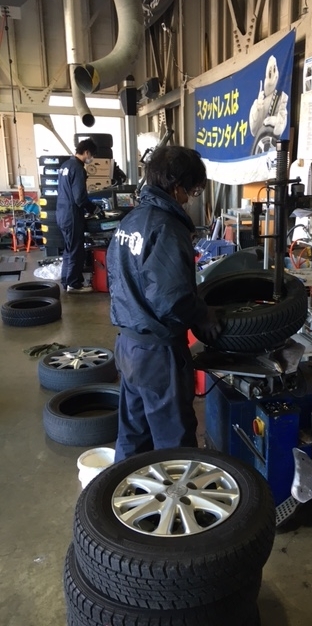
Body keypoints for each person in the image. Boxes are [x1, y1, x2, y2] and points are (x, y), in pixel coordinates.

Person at [106, 145, 222, 463]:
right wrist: (204, 315)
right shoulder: (168, 228)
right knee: (175, 444)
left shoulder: (131, 221)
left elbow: (118, 278)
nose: (189, 199)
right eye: (191, 191)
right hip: (159, 355)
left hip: (128, 345)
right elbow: (172, 300)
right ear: (176, 186)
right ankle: (175, 495)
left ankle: (123, 493)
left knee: (133, 435)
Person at [56, 138, 103, 293]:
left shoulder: (65, 166)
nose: (92, 158)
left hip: (61, 213)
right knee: (76, 250)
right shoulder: (78, 168)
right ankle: (74, 284)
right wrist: (94, 209)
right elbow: (80, 198)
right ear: (87, 152)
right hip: (72, 215)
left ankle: (66, 281)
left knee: (69, 249)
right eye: (92, 155)